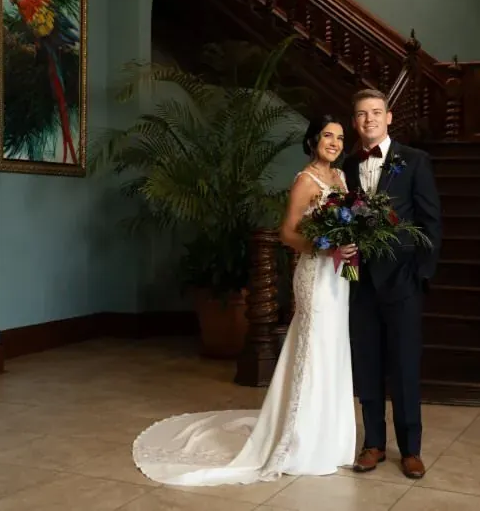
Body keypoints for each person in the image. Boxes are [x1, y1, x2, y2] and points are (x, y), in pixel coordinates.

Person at [131, 115, 359, 486]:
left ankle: (331, 440)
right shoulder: (305, 181)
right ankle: (301, 441)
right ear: (313, 140)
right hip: (315, 274)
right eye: (327, 136)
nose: (334, 142)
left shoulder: (341, 178)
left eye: (339, 137)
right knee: (313, 346)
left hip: (338, 277)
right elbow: (287, 233)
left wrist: (349, 243)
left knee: (333, 348)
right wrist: (325, 245)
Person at [342, 88, 442, 479]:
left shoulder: (415, 161)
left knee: (403, 365)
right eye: (362, 113)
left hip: (403, 280)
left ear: (389, 117)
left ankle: (411, 449)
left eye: (376, 112)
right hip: (359, 281)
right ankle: (373, 444)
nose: (369, 119)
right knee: (367, 364)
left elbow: (431, 220)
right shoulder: (347, 166)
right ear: (355, 121)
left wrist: (421, 272)